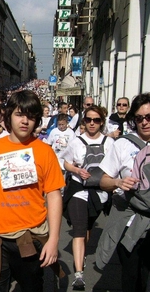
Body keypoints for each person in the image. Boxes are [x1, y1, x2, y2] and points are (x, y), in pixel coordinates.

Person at [0, 90, 64, 292]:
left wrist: (54, 239)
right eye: (19, 114)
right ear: (9, 116)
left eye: (31, 116)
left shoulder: (45, 151)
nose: (25, 121)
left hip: (29, 236)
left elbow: (54, 195)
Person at [96, 93, 150, 292]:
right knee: (132, 276)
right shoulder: (123, 145)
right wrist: (118, 182)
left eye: (149, 117)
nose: (144, 122)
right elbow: (102, 181)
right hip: (130, 221)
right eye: (139, 118)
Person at [63, 105, 114, 290]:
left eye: (96, 120)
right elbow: (66, 162)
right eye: (88, 120)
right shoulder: (76, 141)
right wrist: (77, 170)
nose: (92, 123)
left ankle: (82, 251)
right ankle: (79, 273)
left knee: (88, 226)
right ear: (84, 121)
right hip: (79, 188)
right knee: (79, 227)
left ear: (102, 122)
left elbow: (115, 167)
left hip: (99, 191)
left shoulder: (110, 143)